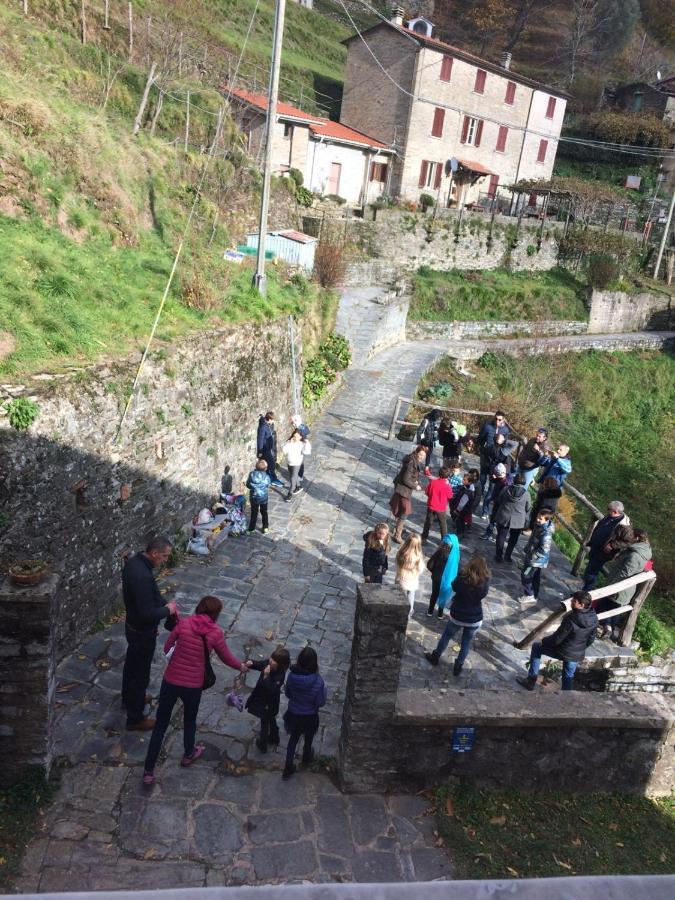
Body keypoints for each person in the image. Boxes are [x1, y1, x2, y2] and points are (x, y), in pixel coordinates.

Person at [142, 596, 248, 784]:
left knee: (160, 725)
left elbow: (167, 648)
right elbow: (226, 657)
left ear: (199, 608)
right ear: (216, 614)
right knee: (189, 720)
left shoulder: (183, 624)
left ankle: (148, 772)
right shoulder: (215, 632)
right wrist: (241, 666)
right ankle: (188, 754)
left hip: (171, 681)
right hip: (193, 685)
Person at [121, 537, 177, 731]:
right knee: (140, 673)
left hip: (132, 625)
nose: (165, 560)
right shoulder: (142, 575)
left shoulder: (135, 562)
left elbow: (152, 592)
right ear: (154, 553)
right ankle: (135, 718)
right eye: (164, 556)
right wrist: (167, 610)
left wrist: (163, 602)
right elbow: (147, 614)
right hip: (142, 631)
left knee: (131, 664)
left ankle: (128, 698)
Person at [518, 591, 597, 691]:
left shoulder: (571, 618)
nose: (571, 602)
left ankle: (530, 681)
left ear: (582, 605)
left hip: (563, 650)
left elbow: (557, 639)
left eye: (574, 601)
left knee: (536, 647)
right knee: (568, 676)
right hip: (576, 654)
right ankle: (566, 697)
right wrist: (580, 648)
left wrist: (544, 641)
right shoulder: (594, 617)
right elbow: (591, 639)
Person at [425, 555, 491, 676]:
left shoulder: (463, 577)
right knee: (466, 643)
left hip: (458, 615)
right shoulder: (484, 581)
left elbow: (454, 586)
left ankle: (435, 657)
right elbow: (483, 595)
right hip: (475, 618)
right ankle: (458, 667)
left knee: (446, 636)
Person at [596, 529, 652, 640]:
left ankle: (608, 628)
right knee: (613, 609)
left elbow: (626, 572)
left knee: (606, 605)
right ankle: (608, 629)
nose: (629, 538)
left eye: (632, 536)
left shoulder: (635, 555)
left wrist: (611, 585)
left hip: (620, 587)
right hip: (623, 587)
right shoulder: (643, 551)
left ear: (636, 538)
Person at [282, 647, 327, 779]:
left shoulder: (291, 676)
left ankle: (288, 767)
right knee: (309, 738)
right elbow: (320, 702)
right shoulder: (318, 682)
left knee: (293, 739)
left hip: (294, 714)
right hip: (310, 716)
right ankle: (306, 756)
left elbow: (288, 693)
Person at [246, 647, 291, 753]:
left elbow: (271, 689)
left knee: (265, 722)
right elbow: (259, 664)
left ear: (281, 664)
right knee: (271, 718)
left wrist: (266, 676)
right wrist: (251, 663)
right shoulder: (267, 664)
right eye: (271, 658)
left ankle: (263, 744)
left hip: (269, 703)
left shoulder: (280, 676)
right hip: (262, 699)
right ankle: (274, 737)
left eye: (274, 660)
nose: (271, 660)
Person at [582, 501, 630, 589]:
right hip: (595, 548)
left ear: (615, 511)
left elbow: (627, 541)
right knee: (589, 570)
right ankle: (584, 591)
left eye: (609, 509)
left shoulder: (624, 527)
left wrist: (612, 545)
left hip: (603, 553)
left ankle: (585, 594)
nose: (607, 511)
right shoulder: (610, 516)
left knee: (591, 573)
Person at [390, 445, 426, 543]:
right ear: (417, 452)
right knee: (405, 512)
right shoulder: (411, 462)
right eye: (421, 454)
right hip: (403, 489)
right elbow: (406, 479)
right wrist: (415, 486)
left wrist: (416, 481)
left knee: (400, 509)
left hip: (403, 488)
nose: (422, 457)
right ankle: (397, 535)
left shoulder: (414, 460)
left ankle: (397, 529)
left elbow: (411, 475)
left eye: (424, 455)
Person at [493, 473, 532, 563]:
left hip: (504, 516)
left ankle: (499, 556)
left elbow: (499, 500)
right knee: (513, 538)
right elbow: (528, 507)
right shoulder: (526, 494)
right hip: (518, 520)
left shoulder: (506, 489)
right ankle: (508, 556)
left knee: (501, 537)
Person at [519, 509, 555, 604]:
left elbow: (544, 549)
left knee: (525, 575)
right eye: (538, 517)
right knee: (535, 576)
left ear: (547, 520)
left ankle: (529, 594)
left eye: (541, 518)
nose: (538, 519)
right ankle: (534, 594)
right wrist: (528, 549)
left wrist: (533, 557)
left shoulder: (546, 533)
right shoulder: (539, 526)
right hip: (534, 557)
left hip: (536, 560)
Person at [426, 533, 461, 618]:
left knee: (434, 594)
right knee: (443, 595)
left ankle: (430, 611)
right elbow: (457, 569)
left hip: (437, 578)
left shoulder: (439, 553)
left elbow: (429, 565)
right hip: (448, 580)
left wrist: (434, 572)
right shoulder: (456, 556)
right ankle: (440, 614)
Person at [396, 534, 426, 618]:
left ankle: (399, 611)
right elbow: (421, 569)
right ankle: (409, 611)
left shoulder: (401, 553)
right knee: (410, 596)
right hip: (412, 581)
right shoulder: (418, 557)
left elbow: (396, 564)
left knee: (400, 596)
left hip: (401, 579)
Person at [478, 411, 510, 492]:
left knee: (493, 478)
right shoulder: (487, 426)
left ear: (503, 420)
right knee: (483, 475)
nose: (497, 421)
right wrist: (482, 448)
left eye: (499, 419)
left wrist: (500, 451)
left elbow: (505, 443)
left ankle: (488, 497)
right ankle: (480, 492)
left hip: (496, 457)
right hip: (485, 454)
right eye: (496, 418)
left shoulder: (505, 430)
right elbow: (480, 438)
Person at [422, 466, 454, 542]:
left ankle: (424, 537)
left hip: (431, 506)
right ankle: (444, 541)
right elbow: (450, 496)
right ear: (448, 477)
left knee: (428, 522)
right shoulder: (447, 486)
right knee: (443, 524)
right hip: (441, 509)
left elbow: (427, 492)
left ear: (439, 473)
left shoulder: (433, 482)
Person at [282, 429, 311, 502]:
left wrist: (307, 443)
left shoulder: (302, 444)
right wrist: (288, 443)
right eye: (294, 436)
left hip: (297, 463)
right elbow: (284, 451)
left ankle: (289, 494)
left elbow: (307, 452)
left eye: (297, 436)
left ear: (301, 437)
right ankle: (298, 486)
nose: (295, 438)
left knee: (292, 478)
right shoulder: (289, 442)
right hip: (289, 462)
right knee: (293, 476)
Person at [246, 458, 272, 534]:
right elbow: (268, 485)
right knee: (264, 512)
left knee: (254, 512)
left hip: (254, 497)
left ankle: (251, 529)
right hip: (263, 498)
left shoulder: (251, 474)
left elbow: (248, 485)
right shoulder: (267, 476)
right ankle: (265, 528)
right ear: (265, 468)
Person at [257, 411, 283, 487]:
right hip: (264, 450)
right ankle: (273, 480)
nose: (273, 422)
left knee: (269, 465)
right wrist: (260, 451)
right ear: (269, 419)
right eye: (273, 420)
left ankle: (270, 479)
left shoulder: (267, 424)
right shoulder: (263, 427)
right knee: (271, 464)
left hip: (268, 448)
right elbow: (260, 440)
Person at [450, 471, 476, 538]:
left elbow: (462, 503)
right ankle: (462, 532)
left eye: (464, 480)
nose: (462, 480)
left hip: (462, 510)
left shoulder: (467, 492)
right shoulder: (464, 488)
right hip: (464, 510)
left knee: (460, 521)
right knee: (461, 521)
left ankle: (460, 533)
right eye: (463, 479)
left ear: (469, 482)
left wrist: (457, 510)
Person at [290, 413, 310, 484]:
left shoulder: (298, 430)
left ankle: (298, 475)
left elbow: (296, 439)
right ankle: (300, 475)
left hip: (299, 448)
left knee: (299, 462)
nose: (292, 424)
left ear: (296, 421)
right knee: (301, 462)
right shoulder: (303, 426)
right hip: (302, 447)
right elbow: (308, 431)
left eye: (292, 422)